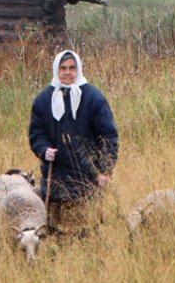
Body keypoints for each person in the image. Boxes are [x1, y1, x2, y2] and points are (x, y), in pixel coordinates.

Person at [28, 48, 119, 231]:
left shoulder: (93, 98)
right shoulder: (43, 100)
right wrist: (44, 149)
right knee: (54, 230)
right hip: (55, 175)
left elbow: (109, 136)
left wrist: (104, 171)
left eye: (72, 68)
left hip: (86, 178)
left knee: (86, 230)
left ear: (78, 70)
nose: (68, 72)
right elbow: (36, 133)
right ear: (56, 70)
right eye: (63, 68)